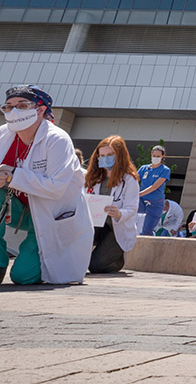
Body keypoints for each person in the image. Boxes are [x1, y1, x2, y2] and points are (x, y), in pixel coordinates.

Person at [0, 85, 92, 285]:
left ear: (40, 110)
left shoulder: (57, 139)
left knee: (22, 276)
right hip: (15, 207)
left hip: (50, 213)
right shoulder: (3, 135)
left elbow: (56, 187)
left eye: (22, 106)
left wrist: (12, 176)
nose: (14, 112)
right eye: (8, 107)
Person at [84, 135, 140, 273]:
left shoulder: (129, 179)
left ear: (119, 156)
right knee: (77, 254)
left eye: (110, 155)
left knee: (95, 266)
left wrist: (120, 213)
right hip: (95, 224)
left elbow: (132, 209)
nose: (105, 158)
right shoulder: (92, 177)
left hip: (116, 229)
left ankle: (116, 260)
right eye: (102, 155)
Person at [136, 145, 170, 237]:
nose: (155, 158)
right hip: (141, 202)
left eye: (158, 156)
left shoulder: (165, 170)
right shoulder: (143, 168)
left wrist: (138, 194)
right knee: (135, 226)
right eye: (154, 155)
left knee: (147, 230)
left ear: (162, 157)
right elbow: (133, 180)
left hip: (155, 203)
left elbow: (154, 186)